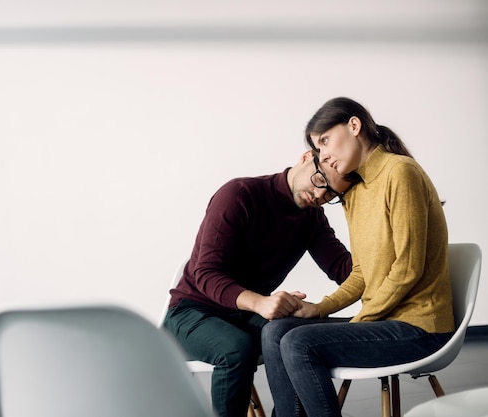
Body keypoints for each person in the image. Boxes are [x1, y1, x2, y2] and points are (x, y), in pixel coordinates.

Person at [261, 97, 454, 417]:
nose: (323, 156)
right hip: (385, 321)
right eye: (317, 149)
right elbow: (362, 273)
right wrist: (319, 309)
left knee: (299, 344)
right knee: (275, 331)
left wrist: (360, 321)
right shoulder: (354, 192)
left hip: (420, 328)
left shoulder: (399, 172)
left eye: (324, 141)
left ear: (354, 125)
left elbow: (407, 269)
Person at [162, 150, 355, 417]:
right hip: (192, 311)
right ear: (306, 157)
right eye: (321, 180)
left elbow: (343, 268)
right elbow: (205, 273)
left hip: (244, 314)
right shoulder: (239, 194)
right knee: (237, 348)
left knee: (295, 338)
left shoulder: (312, 218)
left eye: (332, 194)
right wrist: (262, 303)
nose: (321, 195)